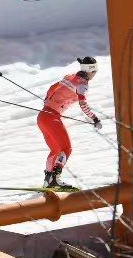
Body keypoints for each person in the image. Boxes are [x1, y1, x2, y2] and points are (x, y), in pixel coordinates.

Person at [38, 56, 101, 190]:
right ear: (90, 71)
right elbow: (83, 105)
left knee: (55, 149)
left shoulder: (69, 76)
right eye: (95, 71)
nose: (95, 74)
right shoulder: (83, 85)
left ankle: (48, 180)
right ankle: (55, 179)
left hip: (42, 116)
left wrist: (47, 100)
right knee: (66, 149)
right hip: (52, 118)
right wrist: (95, 119)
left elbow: (52, 88)